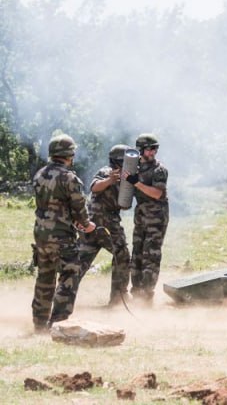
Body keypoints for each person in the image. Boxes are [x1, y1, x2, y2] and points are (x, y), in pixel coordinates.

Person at [31, 134, 95, 332]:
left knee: (44, 278)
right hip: (62, 238)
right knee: (69, 275)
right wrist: (87, 224)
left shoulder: (40, 174)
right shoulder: (70, 178)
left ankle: (39, 323)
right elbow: (79, 208)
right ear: (70, 154)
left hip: (41, 235)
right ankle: (58, 323)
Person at [73, 143, 132, 307]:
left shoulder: (126, 177)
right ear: (119, 160)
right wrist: (111, 180)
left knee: (81, 261)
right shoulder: (105, 172)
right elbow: (94, 187)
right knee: (121, 255)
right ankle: (119, 298)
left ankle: (62, 296)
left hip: (99, 225)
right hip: (100, 225)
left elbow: (125, 204)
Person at [128, 133, 168, 303]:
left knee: (150, 256)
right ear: (140, 150)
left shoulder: (159, 170)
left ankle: (146, 297)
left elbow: (157, 193)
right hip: (141, 216)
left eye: (155, 149)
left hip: (156, 217)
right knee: (136, 254)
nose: (153, 152)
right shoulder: (134, 168)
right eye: (150, 149)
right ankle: (136, 292)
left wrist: (136, 183)